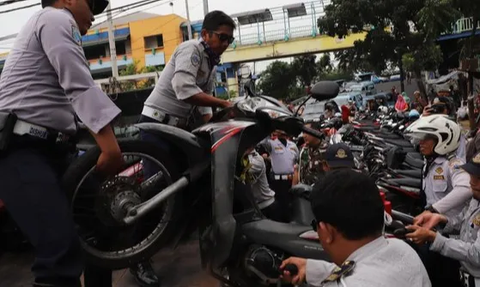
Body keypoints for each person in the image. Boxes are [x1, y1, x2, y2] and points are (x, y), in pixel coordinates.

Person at [0, 0, 125, 285]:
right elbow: (79, 83)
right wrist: (109, 146)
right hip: (21, 150)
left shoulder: (53, 26)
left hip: (55, 151)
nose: (95, 13)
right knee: (59, 251)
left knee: (104, 226)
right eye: (92, 3)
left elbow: (64, 105)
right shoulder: (55, 17)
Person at [132, 10, 236, 284]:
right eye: (222, 37)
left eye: (230, 40)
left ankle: (182, 236)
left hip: (176, 130)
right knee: (155, 192)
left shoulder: (211, 64)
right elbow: (183, 89)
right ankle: (136, 258)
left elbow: (204, 109)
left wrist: (221, 122)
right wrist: (224, 104)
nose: (225, 44)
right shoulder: (191, 50)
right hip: (156, 126)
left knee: (191, 183)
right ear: (205, 34)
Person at [280, 170, 431, 286]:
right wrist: (312, 269)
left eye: (316, 226)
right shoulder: (401, 249)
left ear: (327, 232)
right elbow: (362, 270)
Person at [406, 151, 480, 287]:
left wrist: (434, 238)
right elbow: (462, 222)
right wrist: (441, 219)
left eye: (478, 178)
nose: (472, 182)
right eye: (472, 176)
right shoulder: (476, 200)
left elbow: (476, 255)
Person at [406, 115, 471, 219]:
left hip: (451, 229)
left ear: (442, 140)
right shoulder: (429, 163)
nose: (421, 143)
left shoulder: (453, 164)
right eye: (421, 138)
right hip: (432, 224)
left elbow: (466, 188)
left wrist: (434, 209)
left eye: (426, 138)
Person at [260, 130, 299, 214]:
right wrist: (270, 128)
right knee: (279, 206)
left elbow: (297, 161)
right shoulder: (272, 144)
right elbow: (262, 141)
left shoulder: (293, 145)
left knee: (291, 205)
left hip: (291, 181)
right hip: (277, 182)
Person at [240, 146, 283, 222]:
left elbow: (241, 167)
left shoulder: (257, 159)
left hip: (267, 205)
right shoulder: (246, 157)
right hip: (256, 207)